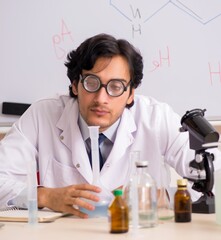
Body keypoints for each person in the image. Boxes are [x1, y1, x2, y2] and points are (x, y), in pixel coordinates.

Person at [0, 33, 220, 218]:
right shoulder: (42, 114)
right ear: (75, 85)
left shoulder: (156, 118)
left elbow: (215, 181)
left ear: (131, 93)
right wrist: (46, 196)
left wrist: (157, 197)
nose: (101, 98)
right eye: (92, 83)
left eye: (115, 86)